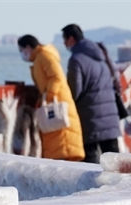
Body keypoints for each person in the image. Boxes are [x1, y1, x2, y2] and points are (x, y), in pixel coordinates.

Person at [17, 34, 84, 162]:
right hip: (57, 102)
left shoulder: (44, 55)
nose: (21, 54)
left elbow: (57, 77)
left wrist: (48, 96)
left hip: (57, 103)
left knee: (63, 141)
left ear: (28, 47)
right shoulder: (40, 57)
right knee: (58, 142)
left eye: (21, 50)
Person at [61, 23, 121, 164]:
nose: (64, 44)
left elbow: (74, 91)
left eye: (64, 40)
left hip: (90, 118)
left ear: (71, 39)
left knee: (90, 164)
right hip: (110, 116)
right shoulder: (101, 54)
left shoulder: (76, 59)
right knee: (115, 164)